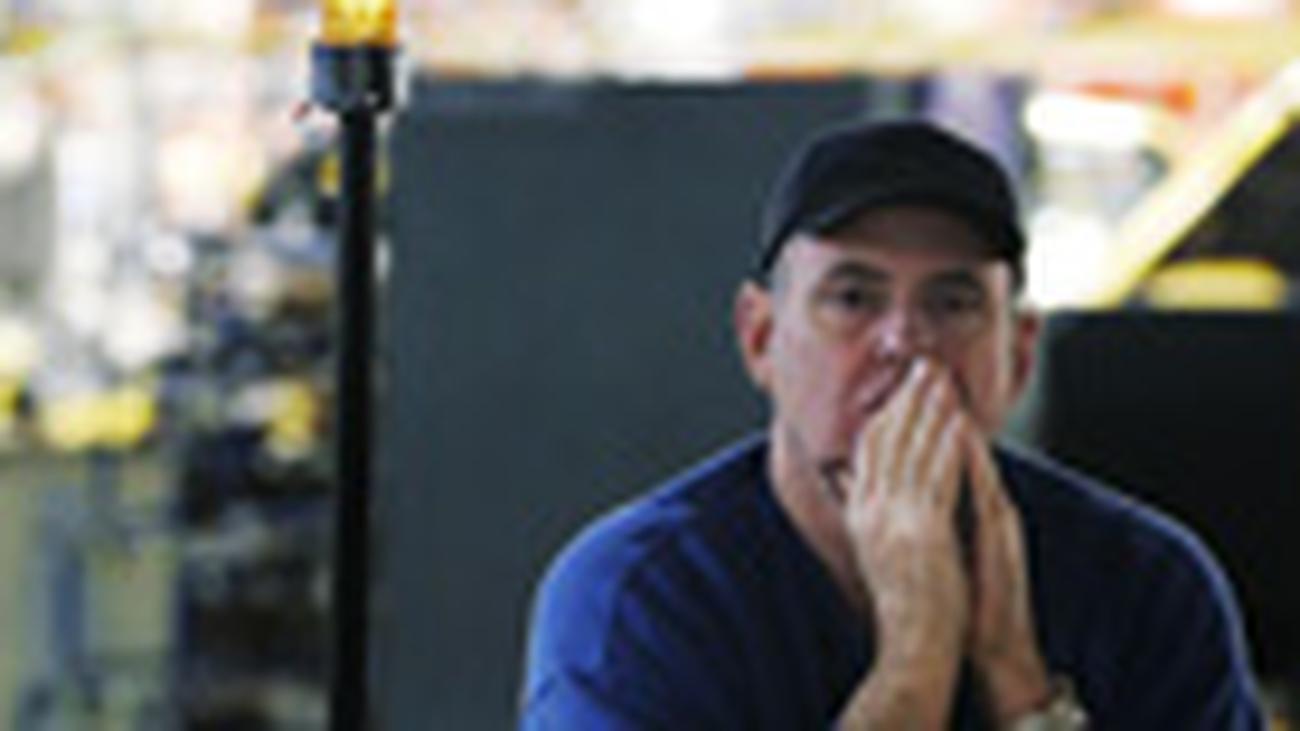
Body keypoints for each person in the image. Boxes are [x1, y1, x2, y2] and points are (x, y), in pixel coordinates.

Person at [519, 119, 1264, 729]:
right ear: (761, 338)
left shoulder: (1147, 582)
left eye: (953, 302)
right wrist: (915, 660)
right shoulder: (637, 596)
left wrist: (1018, 683)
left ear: (1019, 354)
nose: (905, 341)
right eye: (852, 298)